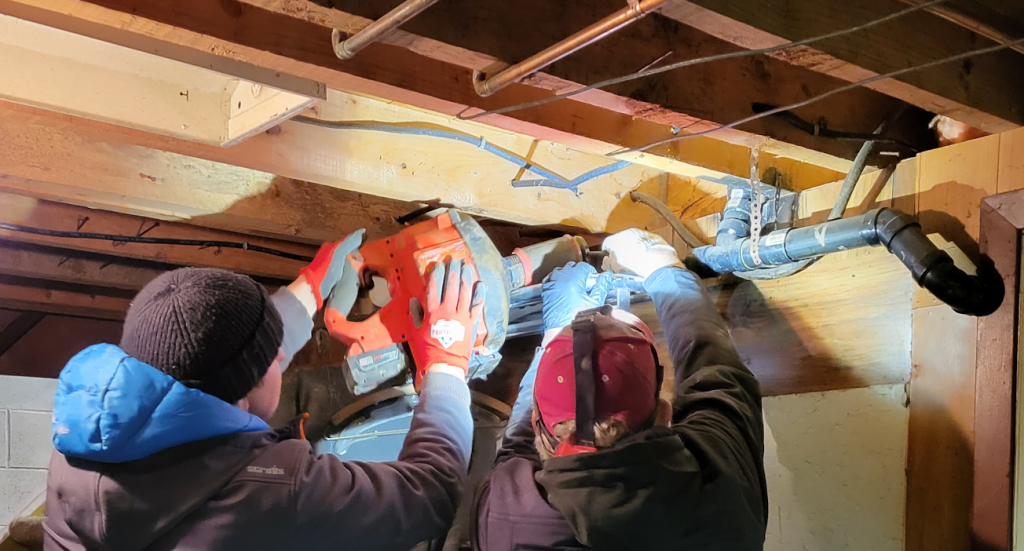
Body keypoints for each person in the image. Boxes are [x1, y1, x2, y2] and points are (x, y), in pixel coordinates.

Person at [44, 230, 485, 551]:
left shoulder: (81, 446)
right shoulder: (275, 488)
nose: (283, 355)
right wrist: (447, 366)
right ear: (242, 399)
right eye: (274, 359)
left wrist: (307, 292)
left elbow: (209, 357)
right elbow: (429, 495)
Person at [471, 229, 768, 551]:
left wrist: (557, 332)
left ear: (535, 424)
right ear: (665, 413)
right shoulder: (720, 488)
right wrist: (662, 268)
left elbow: (516, 451)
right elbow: (718, 377)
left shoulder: (503, 513)